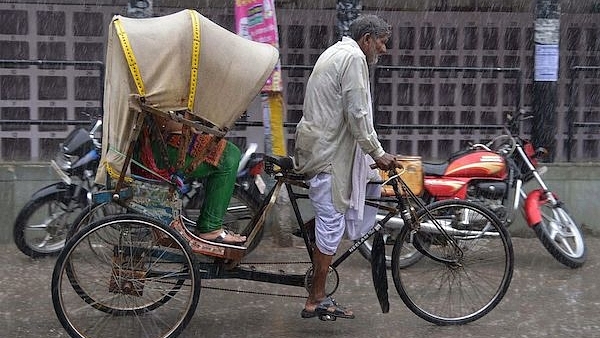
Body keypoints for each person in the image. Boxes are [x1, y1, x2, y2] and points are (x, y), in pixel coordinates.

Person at [293, 14, 397, 319]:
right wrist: (377, 152)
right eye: (381, 42)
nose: (383, 49)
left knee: (335, 216)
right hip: (328, 155)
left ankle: (316, 254)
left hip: (320, 146)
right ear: (366, 39)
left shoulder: (337, 52)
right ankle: (316, 298)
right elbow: (357, 112)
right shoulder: (353, 59)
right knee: (331, 225)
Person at [143, 117, 246, 245]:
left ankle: (208, 222)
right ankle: (211, 227)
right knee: (229, 155)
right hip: (162, 145)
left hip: (158, 141)